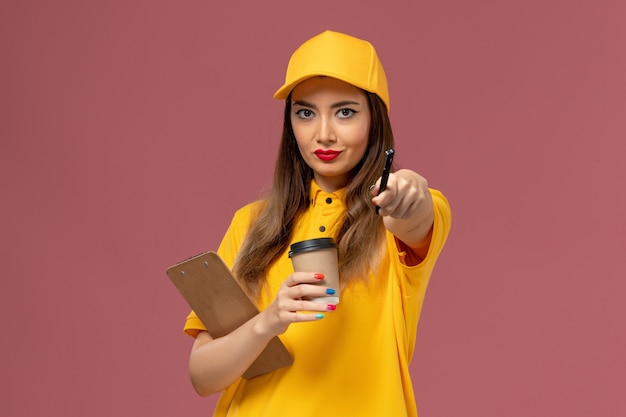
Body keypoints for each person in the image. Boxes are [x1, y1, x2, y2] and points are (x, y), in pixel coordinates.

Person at [183, 30, 452, 417]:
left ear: (375, 120)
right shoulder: (251, 223)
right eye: (305, 112)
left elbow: (416, 213)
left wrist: (409, 191)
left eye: (345, 112)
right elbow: (203, 377)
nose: (323, 133)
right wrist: (269, 321)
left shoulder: (391, 222)